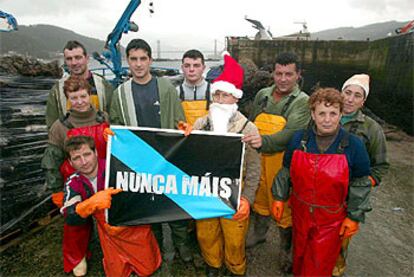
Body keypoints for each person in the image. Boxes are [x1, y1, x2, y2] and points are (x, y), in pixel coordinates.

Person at [271, 88, 372, 276]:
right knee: (299, 256)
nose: (327, 119)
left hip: (331, 219)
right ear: (313, 114)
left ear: (341, 114)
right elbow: (286, 171)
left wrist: (353, 216)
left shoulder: (354, 145)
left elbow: (360, 183)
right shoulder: (299, 139)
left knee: (320, 264)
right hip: (300, 213)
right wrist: (279, 196)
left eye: (333, 113)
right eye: (322, 113)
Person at [109, 38, 193, 263]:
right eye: (133, 59)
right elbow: (116, 124)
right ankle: (155, 248)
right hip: (139, 161)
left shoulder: (166, 87)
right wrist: (113, 134)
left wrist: (183, 127)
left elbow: (178, 119)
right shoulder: (120, 93)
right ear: (128, 61)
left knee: (174, 205)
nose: (138, 64)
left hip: (167, 158)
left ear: (150, 60)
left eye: (142, 59)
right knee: (148, 207)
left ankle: (182, 246)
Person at [193, 53, 261, 276]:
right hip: (205, 193)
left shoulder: (248, 128)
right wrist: (184, 137)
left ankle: (235, 268)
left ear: (236, 98)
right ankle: (213, 264)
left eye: (226, 95)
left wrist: (248, 200)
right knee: (206, 234)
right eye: (217, 94)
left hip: (235, 195)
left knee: (234, 239)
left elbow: (253, 169)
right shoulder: (200, 124)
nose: (220, 100)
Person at [242, 52, 310, 272]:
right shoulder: (263, 94)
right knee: (260, 199)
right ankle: (259, 235)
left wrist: (262, 141)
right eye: (278, 73)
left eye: (288, 74)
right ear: (273, 73)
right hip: (258, 159)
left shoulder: (303, 102)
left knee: (284, 206)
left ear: (298, 75)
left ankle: (285, 250)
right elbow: (251, 123)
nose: (282, 79)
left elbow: (291, 134)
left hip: (283, 163)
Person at [61, 135, 161, 277]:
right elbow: (69, 216)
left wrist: (123, 142)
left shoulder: (116, 166)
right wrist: (89, 204)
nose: (84, 162)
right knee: (116, 273)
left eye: (87, 154)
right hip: (109, 235)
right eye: (77, 158)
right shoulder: (73, 182)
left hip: (134, 228)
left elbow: (149, 169)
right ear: (70, 163)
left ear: (96, 153)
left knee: (148, 268)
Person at [41, 75, 109, 275]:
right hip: (76, 182)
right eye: (74, 97)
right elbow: (51, 161)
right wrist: (55, 190)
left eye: (83, 96)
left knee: (110, 218)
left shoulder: (104, 118)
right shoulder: (59, 127)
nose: (79, 102)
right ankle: (76, 257)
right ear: (67, 99)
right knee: (76, 224)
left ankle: (112, 249)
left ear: (90, 95)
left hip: (103, 177)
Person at [332, 74, 389, 276]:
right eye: (347, 93)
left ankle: (336, 271)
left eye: (357, 96)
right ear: (340, 93)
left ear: (363, 102)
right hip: (320, 195)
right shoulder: (327, 116)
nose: (349, 99)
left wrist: (362, 185)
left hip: (347, 200)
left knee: (339, 243)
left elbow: (380, 167)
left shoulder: (372, 129)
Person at [46, 40, 113, 129]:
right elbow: (52, 124)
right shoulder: (57, 90)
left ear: (87, 58)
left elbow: (113, 120)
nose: (74, 63)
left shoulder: (103, 86)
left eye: (78, 57)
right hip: (71, 140)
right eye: (69, 59)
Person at [177, 49, 211, 125]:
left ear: (203, 68)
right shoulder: (175, 92)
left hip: (207, 136)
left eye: (196, 66)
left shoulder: (214, 92)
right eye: (187, 66)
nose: (191, 69)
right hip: (184, 136)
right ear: (182, 68)